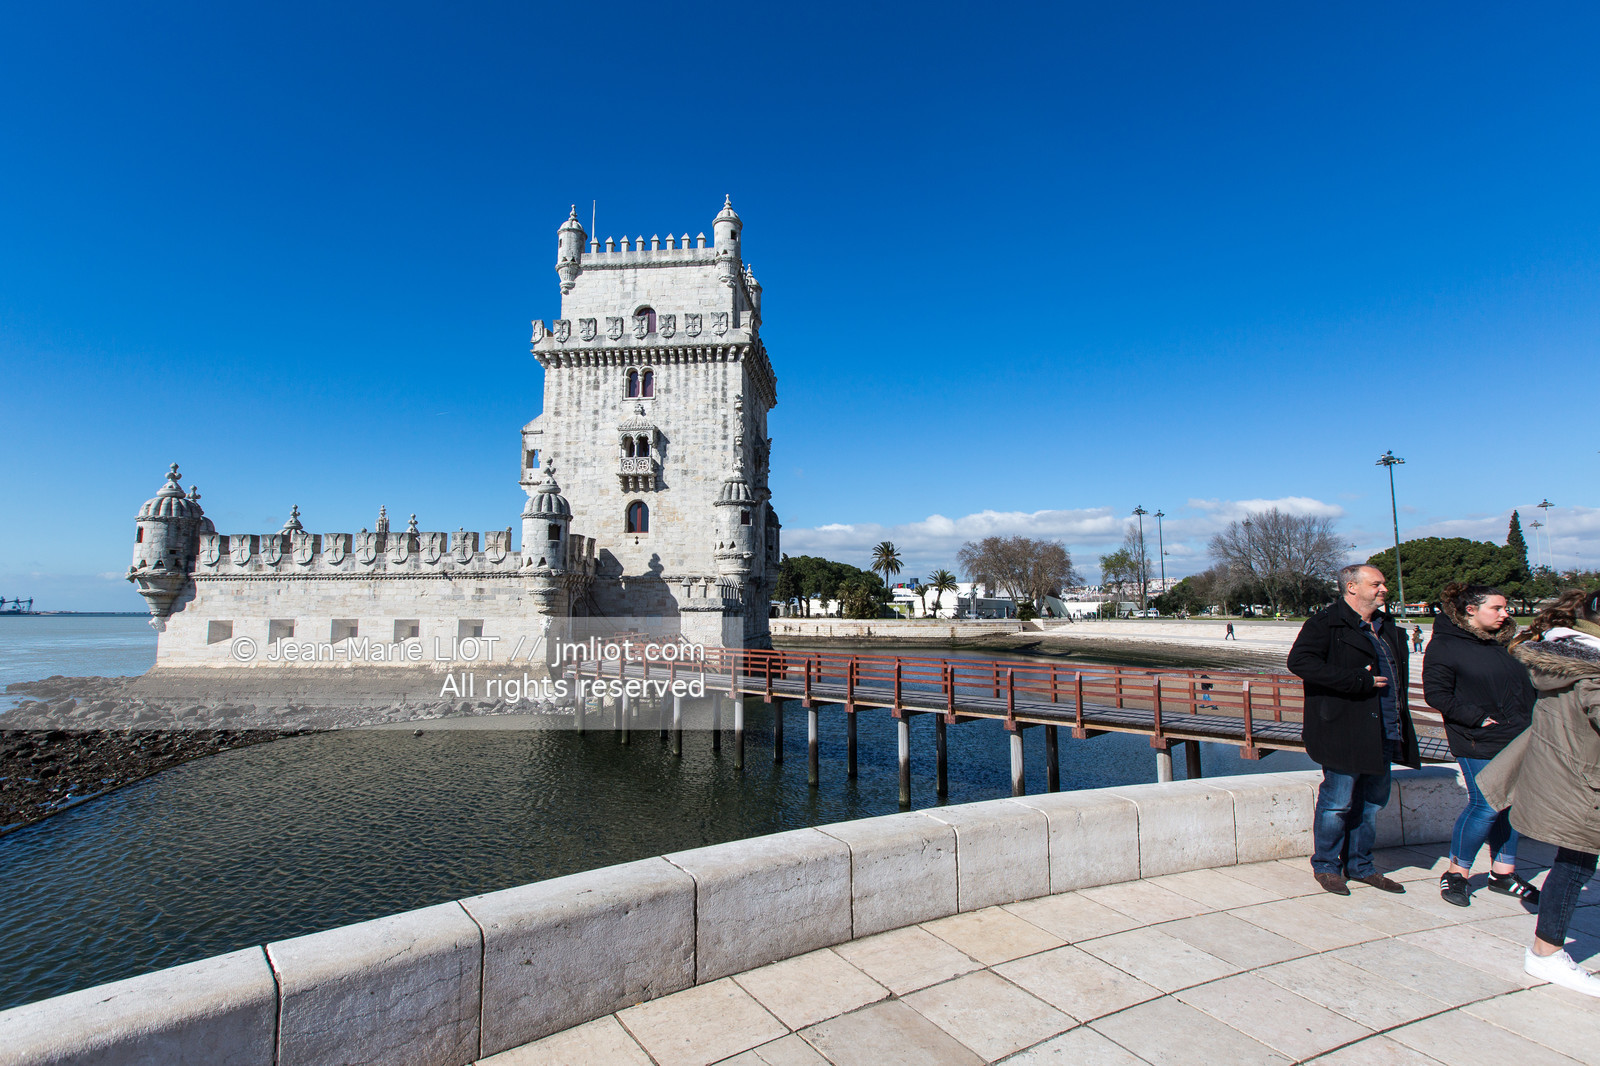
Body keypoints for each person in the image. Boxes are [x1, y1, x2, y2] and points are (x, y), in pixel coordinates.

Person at [1480, 589, 1600, 995]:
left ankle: (1545, 952)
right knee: (1574, 866)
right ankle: (1546, 954)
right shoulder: (1592, 672)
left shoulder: (1565, 663)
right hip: (1584, 784)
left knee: (1573, 864)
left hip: (1568, 777)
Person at [1288, 564, 1421, 895]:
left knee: (1373, 802)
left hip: (1386, 729)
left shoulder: (1386, 626)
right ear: (1351, 587)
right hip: (1343, 730)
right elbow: (1300, 663)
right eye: (1376, 583)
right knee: (1337, 802)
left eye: (1383, 584)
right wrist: (1357, 680)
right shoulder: (1325, 623)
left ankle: (1361, 865)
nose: (1383, 589)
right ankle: (1327, 866)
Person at [1423, 582, 1537, 907]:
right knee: (1485, 806)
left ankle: (1503, 874)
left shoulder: (1503, 643)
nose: (1505, 614)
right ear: (1471, 611)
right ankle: (1456, 874)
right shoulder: (1445, 645)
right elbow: (1438, 694)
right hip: (1478, 740)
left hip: (1517, 737)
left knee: (1511, 805)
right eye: (1497, 608)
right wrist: (1480, 719)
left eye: (1505, 607)